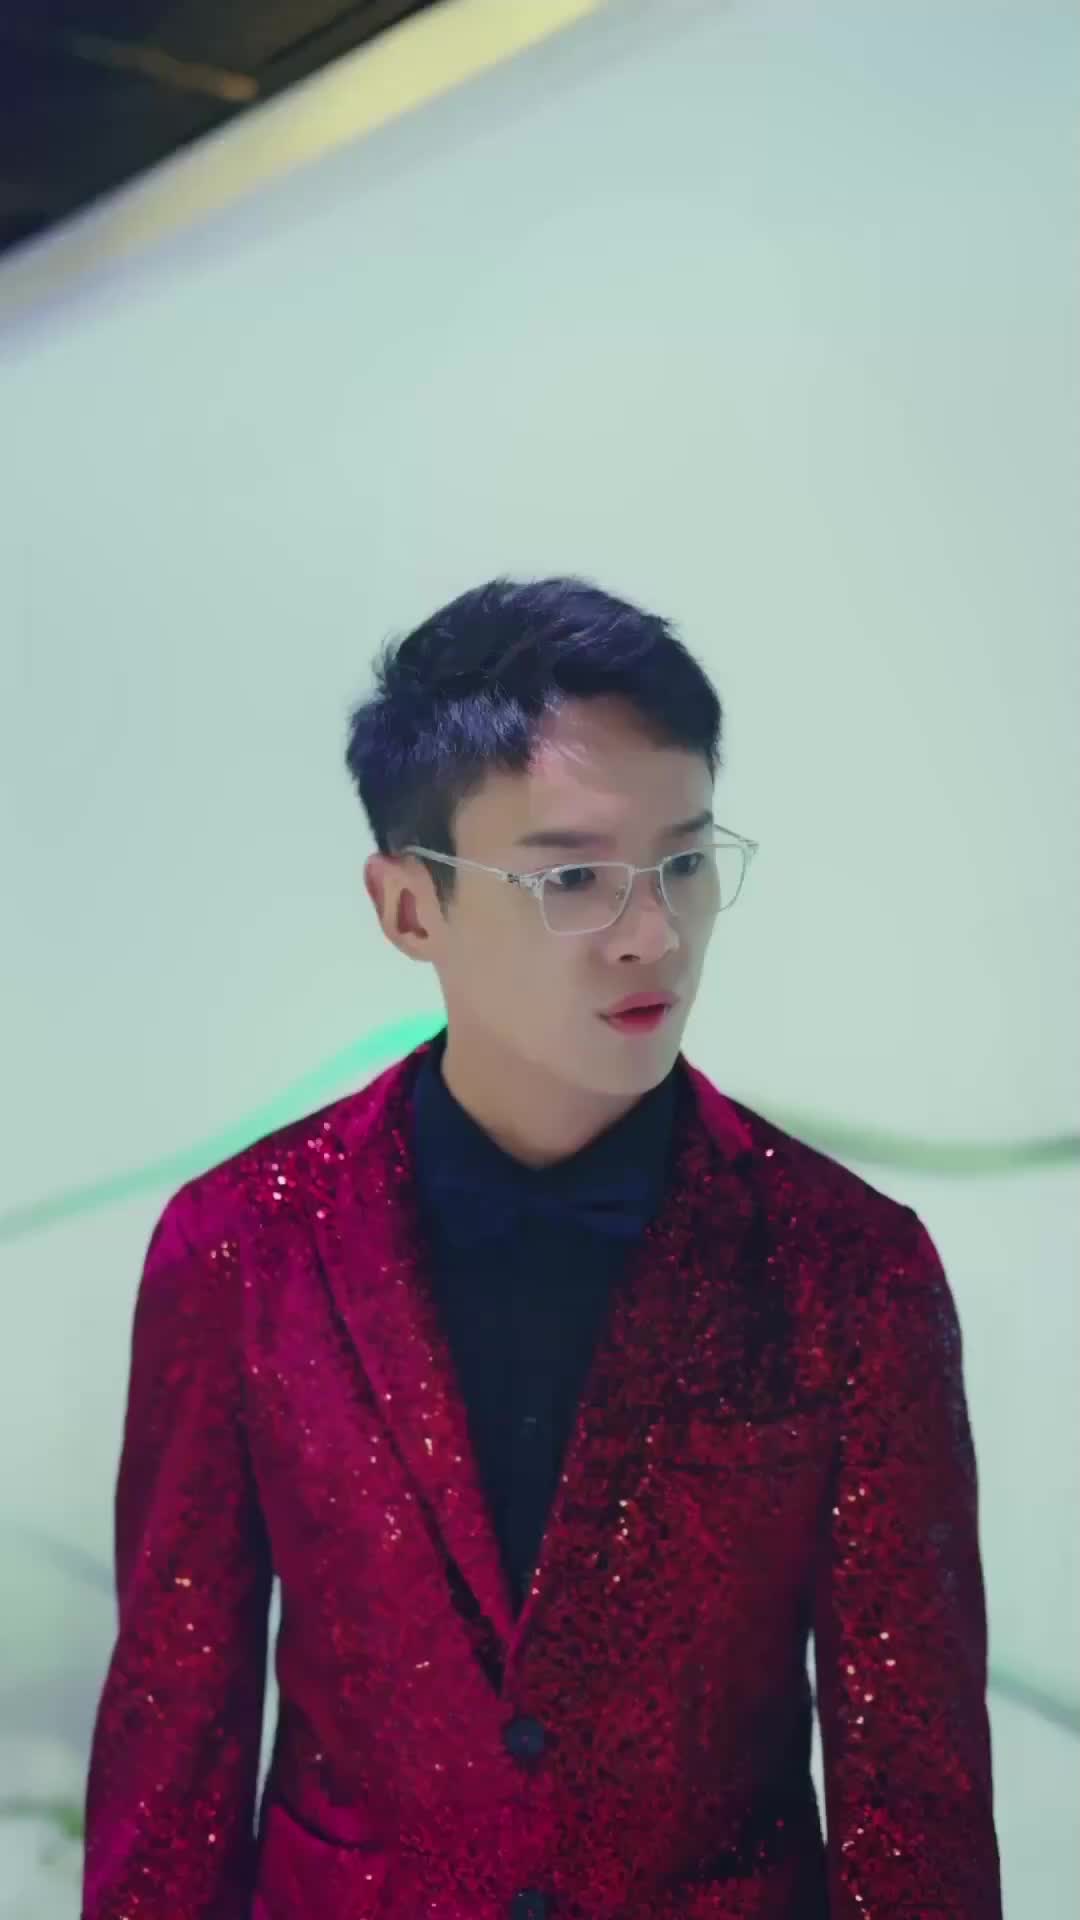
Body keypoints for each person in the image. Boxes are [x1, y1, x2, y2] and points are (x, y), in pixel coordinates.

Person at [81, 577, 1002, 1919]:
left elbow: (914, 1793)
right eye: (573, 877)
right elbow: (175, 1743)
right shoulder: (242, 1248)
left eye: (684, 862)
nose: (654, 934)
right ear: (410, 909)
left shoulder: (852, 1268)